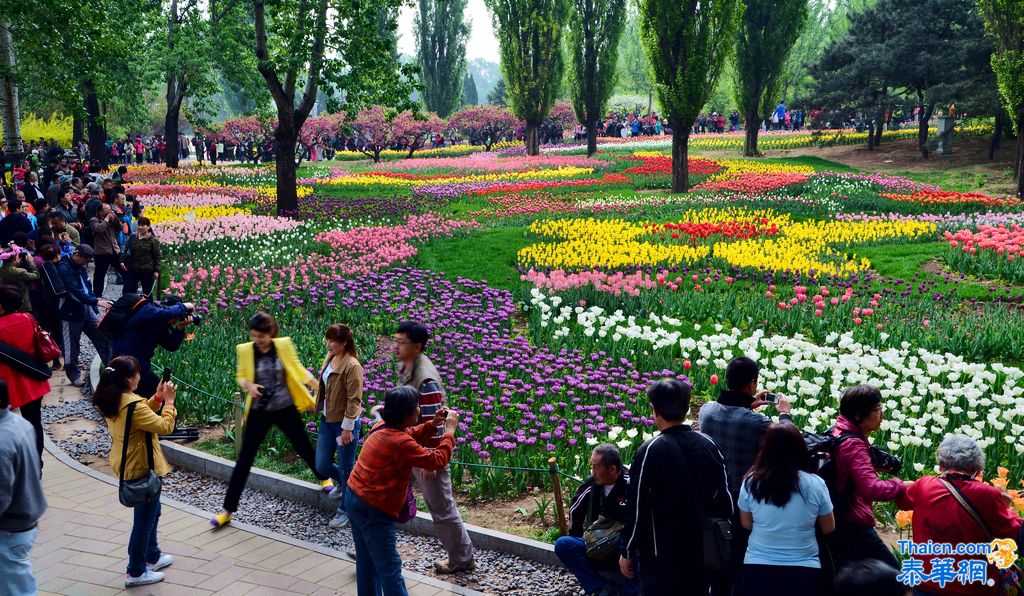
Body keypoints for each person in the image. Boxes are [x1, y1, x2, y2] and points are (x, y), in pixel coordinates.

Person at [211, 312, 331, 527]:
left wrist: (320, 390)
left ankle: (324, 478)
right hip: (260, 410)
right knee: (245, 459)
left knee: (302, 445)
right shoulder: (245, 350)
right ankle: (227, 510)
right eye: (254, 336)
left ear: (271, 333)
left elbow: (299, 371)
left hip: (285, 407)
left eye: (262, 337)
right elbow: (240, 376)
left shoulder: (283, 345)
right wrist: (250, 386)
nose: (258, 340)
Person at [620, 378, 733, 595]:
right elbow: (725, 501)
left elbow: (637, 508)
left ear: (655, 411)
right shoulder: (708, 445)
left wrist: (627, 550)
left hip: (660, 553)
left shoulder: (649, 451)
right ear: (687, 408)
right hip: (701, 548)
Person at [345, 386, 460, 596]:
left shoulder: (382, 426)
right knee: (390, 568)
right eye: (417, 406)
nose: (419, 409)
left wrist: (433, 425)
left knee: (366, 560)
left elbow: (410, 432)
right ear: (407, 413)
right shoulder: (400, 442)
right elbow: (437, 460)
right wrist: (449, 433)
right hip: (374, 509)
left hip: (354, 497)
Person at [700, 356, 794, 596]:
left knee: (716, 562)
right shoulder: (757, 422)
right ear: (752, 383)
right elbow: (788, 442)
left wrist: (748, 403)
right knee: (739, 563)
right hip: (744, 505)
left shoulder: (706, 411)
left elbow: (729, 413)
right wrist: (784, 414)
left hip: (712, 500)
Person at [394, 321, 475, 573]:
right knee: (388, 495)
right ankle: (376, 548)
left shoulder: (426, 379)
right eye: (394, 340)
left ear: (416, 346)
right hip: (407, 446)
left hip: (425, 453)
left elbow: (433, 422)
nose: (395, 345)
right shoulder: (407, 367)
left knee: (441, 507)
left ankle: (462, 559)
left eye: (401, 342)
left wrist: (430, 460)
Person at [898, 434, 1023, 596]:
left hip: (926, 582)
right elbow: (1013, 531)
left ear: (941, 464)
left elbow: (903, 502)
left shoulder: (924, 485)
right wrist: (1007, 507)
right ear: (976, 467)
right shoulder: (986, 494)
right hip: (971, 586)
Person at [92, 356, 177, 587]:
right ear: (129, 379)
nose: (140, 376)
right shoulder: (132, 403)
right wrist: (169, 403)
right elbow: (164, 427)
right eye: (138, 372)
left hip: (127, 461)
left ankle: (152, 555)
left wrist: (158, 397)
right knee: (143, 521)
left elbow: (137, 419)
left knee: (153, 512)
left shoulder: (112, 398)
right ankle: (136, 570)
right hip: (141, 465)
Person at [738, 423, 835, 596]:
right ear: (800, 449)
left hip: (758, 565)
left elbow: (746, 524)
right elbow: (829, 527)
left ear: (766, 448)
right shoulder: (815, 484)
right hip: (804, 567)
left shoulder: (751, 482)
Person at [828, 385, 909, 571]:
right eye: (876, 409)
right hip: (853, 523)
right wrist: (901, 485)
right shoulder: (853, 443)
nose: (882, 415)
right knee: (895, 578)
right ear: (858, 415)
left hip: (839, 518)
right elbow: (871, 488)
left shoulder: (839, 430)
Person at [555, 444, 635, 596]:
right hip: (598, 543)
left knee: (625, 540)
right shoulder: (591, 484)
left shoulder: (631, 483)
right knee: (563, 545)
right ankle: (599, 587)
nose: (593, 472)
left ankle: (630, 590)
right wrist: (581, 538)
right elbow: (575, 511)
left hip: (624, 548)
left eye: (596, 467)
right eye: (591, 466)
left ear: (612, 469)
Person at [314, 323, 365, 528]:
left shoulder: (352, 366)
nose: (329, 343)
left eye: (333, 340)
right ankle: (347, 487)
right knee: (321, 465)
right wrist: (316, 403)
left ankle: (345, 511)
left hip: (344, 424)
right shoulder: (331, 358)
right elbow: (325, 386)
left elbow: (355, 400)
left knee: (346, 469)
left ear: (344, 343)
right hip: (327, 419)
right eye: (328, 339)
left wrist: (347, 428)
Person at [0, 380, 47, 595]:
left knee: (17, 588)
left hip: (10, 528)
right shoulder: (20, 424)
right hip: (26, 516)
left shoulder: (2, 442)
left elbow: (1, 495)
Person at [0, 286, 51, 463]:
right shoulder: (28, 318)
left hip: (8, 383)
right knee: (35, 423)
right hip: (33, 377)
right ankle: (37, 463)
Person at [109, 295, 195, 398]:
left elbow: (171, 345)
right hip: (125, 364)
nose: (177, 320)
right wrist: (187, 306)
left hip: (140, 367)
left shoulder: (160, 323)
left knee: (159, 394)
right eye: (177, 317)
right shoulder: (147, 310)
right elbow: (166, 313)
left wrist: (180, 328)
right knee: (131, 399)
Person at [56, 244, 113, 386]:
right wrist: (96, 301)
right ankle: (73, 375)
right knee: (71, 346)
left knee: (102, 336)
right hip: (69, 310)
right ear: (78, 256)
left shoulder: (80, 267)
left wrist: (94, 306)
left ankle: (112, 367)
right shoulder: (63, 268)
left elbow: (88, 288)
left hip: (87, 307)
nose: (87, 263)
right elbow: (74, 291)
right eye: (85, 260)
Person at [121, 216, 161, 297]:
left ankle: (148, 308)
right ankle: (130, 307)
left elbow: (157, 256)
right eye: (139, 225)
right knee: (127, 290)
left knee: (147, 294)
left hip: (147, 270)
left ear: (148, 226)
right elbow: (125, 249)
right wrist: (122, 261)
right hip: (133, 268)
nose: (140, 227)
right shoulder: (133, 236)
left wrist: (157, 271)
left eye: (143, 225)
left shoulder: (153, 240)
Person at [90, 203, 121, 297]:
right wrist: (107, 218)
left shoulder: (111, 220)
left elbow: (119, 228)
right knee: (100, 274)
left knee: (123, 268)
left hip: (114, 250)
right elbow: (99, 229)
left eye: (110, 209)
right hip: (101, 252)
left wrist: (115, 219)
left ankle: (130, 290)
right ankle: (97, 295)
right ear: (100, 211)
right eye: (107, 209)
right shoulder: (94, 220)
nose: (109, 211)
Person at [0, 244, 40, 312]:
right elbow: (36, 276)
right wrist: (31, 262)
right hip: (22, 305)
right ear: (14, 258)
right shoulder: (20, 272)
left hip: (7, 305)